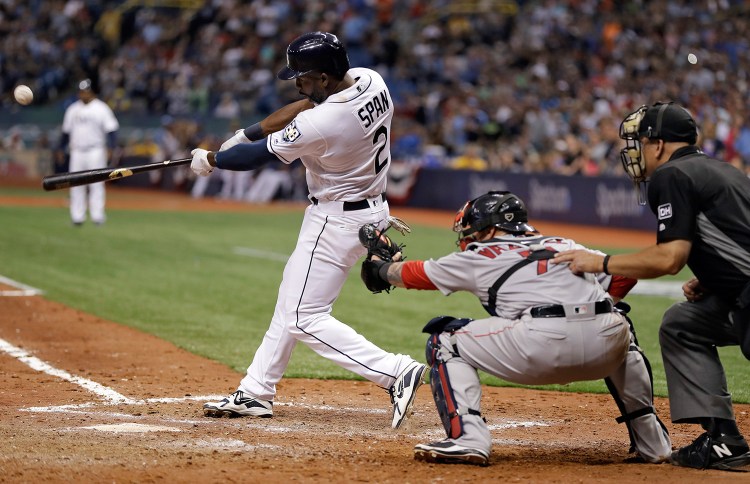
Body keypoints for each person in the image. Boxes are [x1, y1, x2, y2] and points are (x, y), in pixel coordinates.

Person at [190, 32, 426, 428]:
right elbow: (303, 105)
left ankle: (394, 370)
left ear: (325, 77)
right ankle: (255, 392)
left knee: (304, 316)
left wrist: (212, 158)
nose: (297, 83)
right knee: (291, 301)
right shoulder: (369, 80)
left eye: (303, 76)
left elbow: (256, 159)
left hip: (336, 219)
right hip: (368, 210)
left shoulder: (326, 121)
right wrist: (248, 132)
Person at [360, 190, 672, 466]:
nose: (468, 237)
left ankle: (467, 438)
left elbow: (417, 275)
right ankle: (653, 442)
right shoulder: (563, 243)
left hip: (540, 346)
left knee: (445, 339)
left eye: (472, 229)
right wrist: (593, 315)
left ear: (492, 228)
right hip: (604, 347)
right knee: (620, 321)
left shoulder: (482, 254)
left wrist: (380, 268)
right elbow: (623, 276)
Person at [554, 102, 750, 471]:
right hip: (739, 293)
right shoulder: (725, 171)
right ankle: (724, 440)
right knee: (684, 323)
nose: (636, 152)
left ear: (657, 145)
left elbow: (668, 259)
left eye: (640, 142)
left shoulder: (671, 175)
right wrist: (713, 278)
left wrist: (602, 262)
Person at [56, 79, 119, 226]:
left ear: (92, 91)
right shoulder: (73, 109)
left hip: (95, 150)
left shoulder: (101, 108)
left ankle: (98, 216)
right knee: (76, 183)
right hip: (77, 151)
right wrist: (60, 148)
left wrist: (111, 148)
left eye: (86, 91)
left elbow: (112, 130)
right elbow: (65, 132)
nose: (83, 94)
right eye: (81, 91)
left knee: (96, 184)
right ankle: (77, 217)